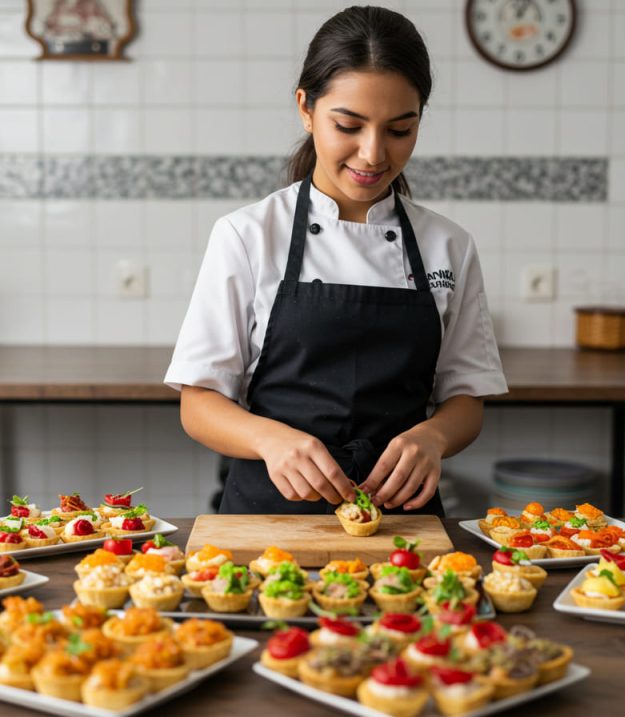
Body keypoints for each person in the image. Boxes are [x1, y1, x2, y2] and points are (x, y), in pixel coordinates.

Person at [164, 6, 507, 516]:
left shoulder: (448, 245)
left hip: (403, 527)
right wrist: (270, 440)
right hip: (268, 522)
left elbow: (467, 399)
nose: (372, 154)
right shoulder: (247, 235)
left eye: (399, 130)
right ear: (305, 108)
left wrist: (434, 437)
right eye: (348, 124)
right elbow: (199, 405)